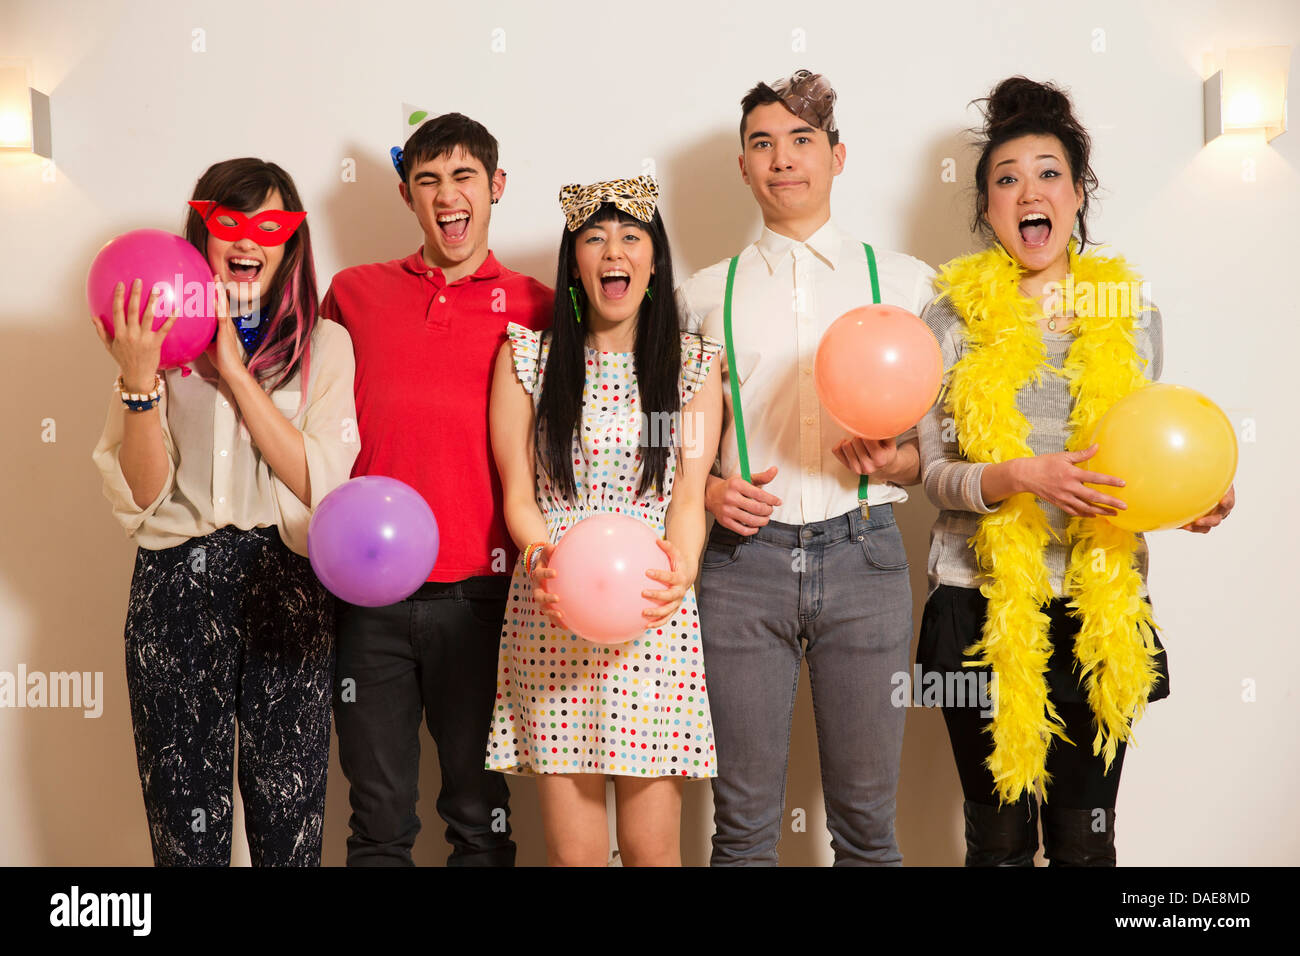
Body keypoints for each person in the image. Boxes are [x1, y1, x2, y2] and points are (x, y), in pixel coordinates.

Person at [915, 76, 1236, 866]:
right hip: (980, 606)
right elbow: (933, 475)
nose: (1030, 191)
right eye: (1007, 178)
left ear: (1079, 191)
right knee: (996, 843)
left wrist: (1190, 499)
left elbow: (1144, 456)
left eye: (1049, 172)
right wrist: (1020, 476)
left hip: (1100, 606)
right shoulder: (948, 318)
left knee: (1086, 844)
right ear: (988, 206)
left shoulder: (1134, 318)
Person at [676, 70, 936, 866]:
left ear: (837, 155)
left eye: (801, 141)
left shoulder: (908, 281)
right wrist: (713, 488)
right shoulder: (697, 295)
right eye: (762, 144)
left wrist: (905, 459)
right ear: (744, 167)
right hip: (740, 567)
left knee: (866, 829)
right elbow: (676, 446)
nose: (781, 159)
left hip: (865, 555)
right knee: (744, 829)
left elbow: (950, 445)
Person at [91, 158, 359, 865]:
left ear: (290, 242)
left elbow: (318, 483)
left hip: (288, 587)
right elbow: (145, 496)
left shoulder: (325, 346)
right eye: (230, 225)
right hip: (175, 584)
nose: (248, 242)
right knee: (185, 832)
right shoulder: (157, 338)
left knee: (289, 827)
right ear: (201, 236)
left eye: (269, 225)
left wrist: (235, 373)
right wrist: (141, 382)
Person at [321, 113, 551, 866]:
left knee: (478, 816)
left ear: (496, 188)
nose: (447, 197)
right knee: (378, 818)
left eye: (463, 178)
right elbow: (306, 415)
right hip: (367, 594)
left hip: (485, 595)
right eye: (428, 181)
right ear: (405, 195)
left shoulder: (540, 306)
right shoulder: (354, 294)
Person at [487, 176, 723, 866]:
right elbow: (520, 497)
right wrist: (539, 560)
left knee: (654, 856)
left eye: (630, 237)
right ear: (574, 264)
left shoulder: (690, 365)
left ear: (653, 262)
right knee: (574, 859)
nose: (612, 251)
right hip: (553, 614)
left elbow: (686, 498)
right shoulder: (528, 359)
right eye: (593, 239)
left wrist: (679, 574)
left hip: (653, 619)